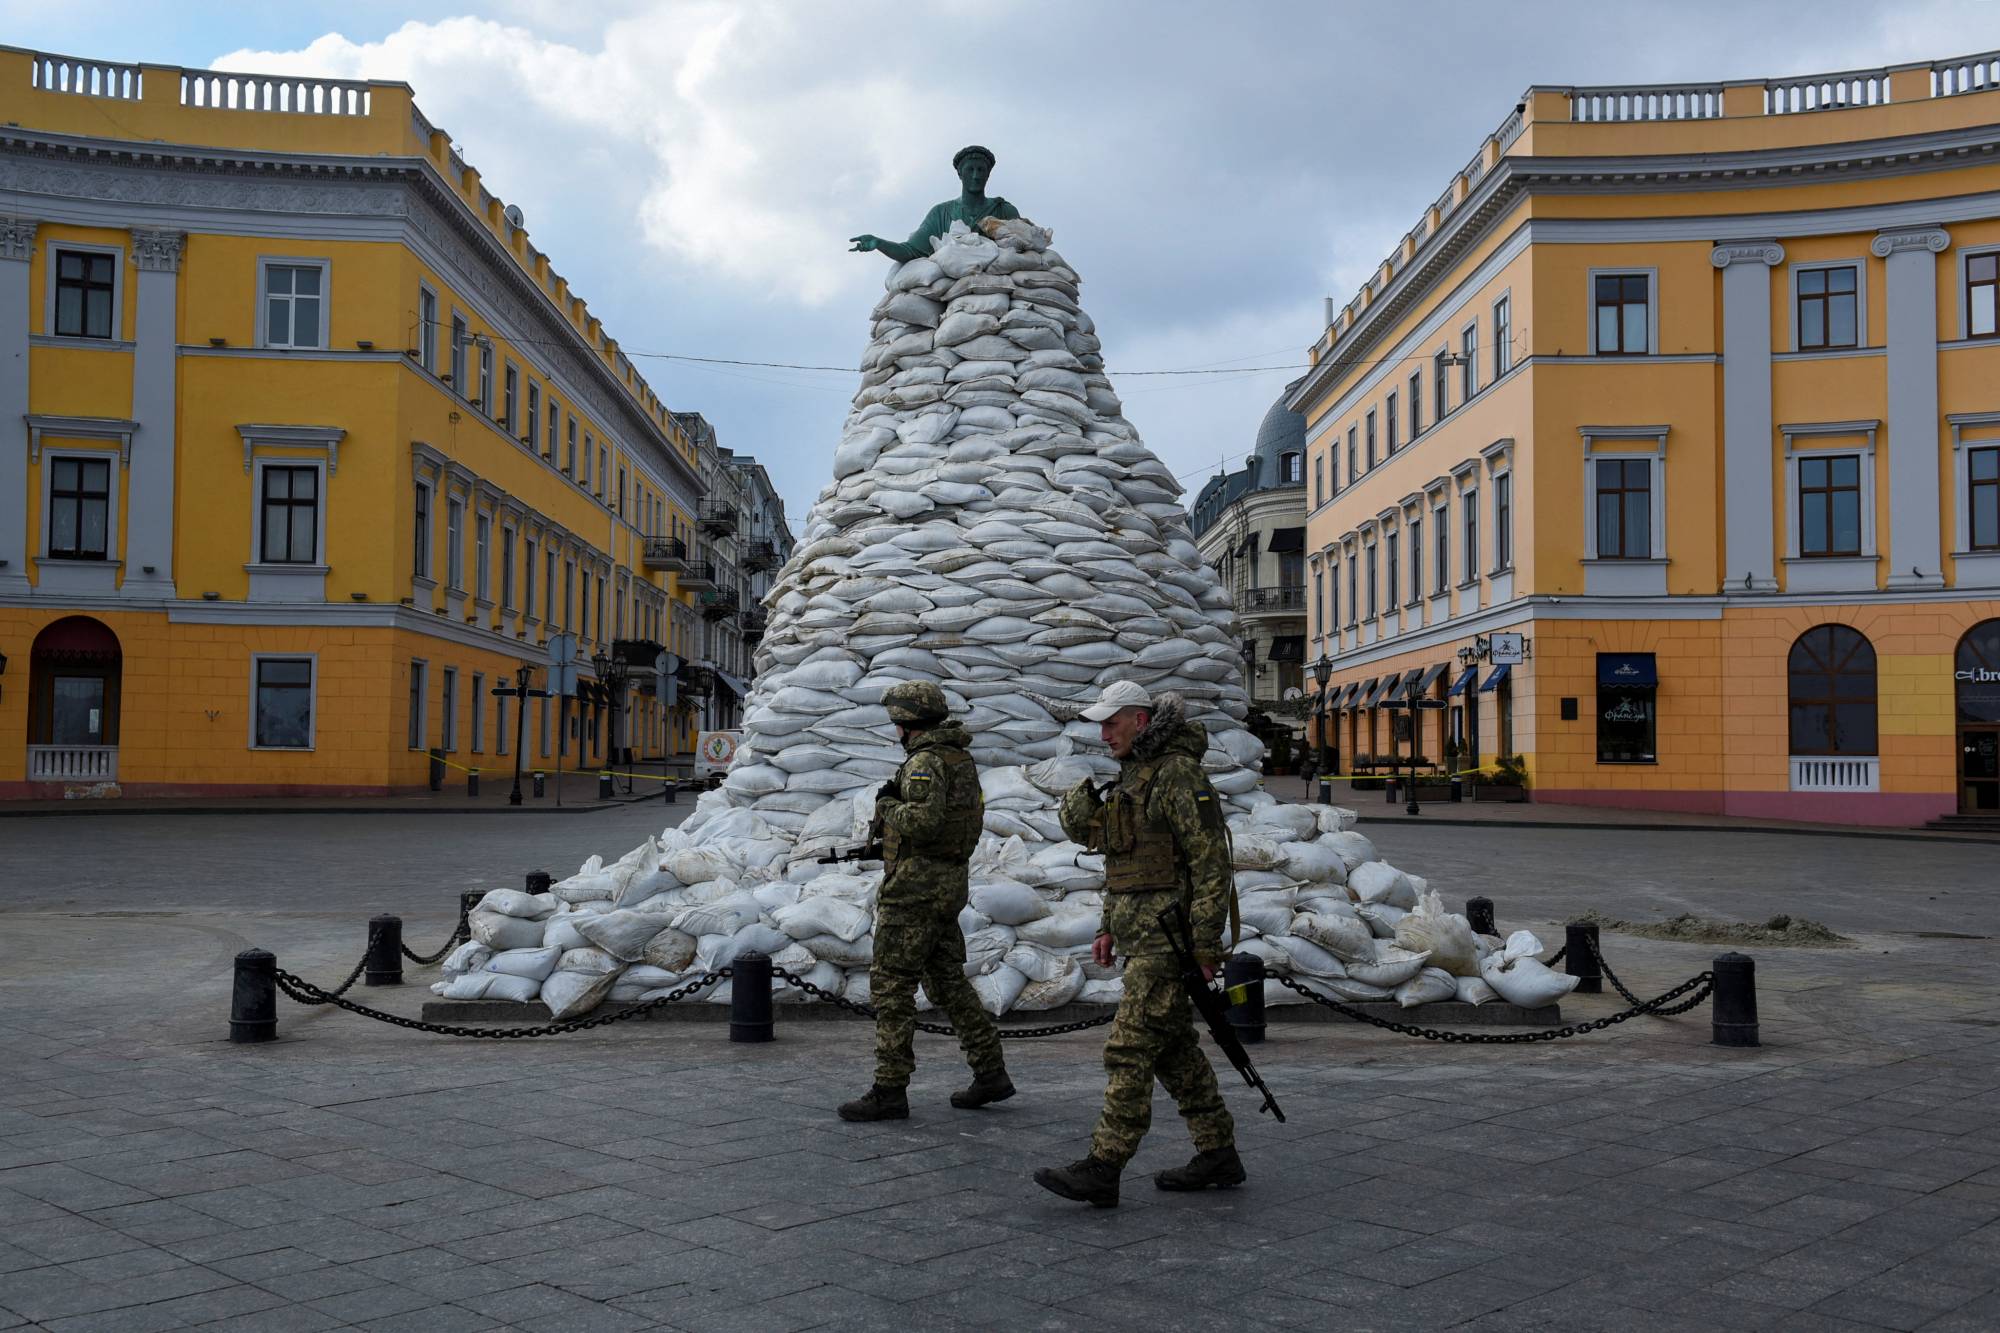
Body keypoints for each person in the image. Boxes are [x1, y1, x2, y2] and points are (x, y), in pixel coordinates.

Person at [1034, 681, 1241, 1207]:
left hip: (1169, 943)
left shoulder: (1177, 774)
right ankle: (1218, 1151)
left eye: (1111, 724)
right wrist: (1109, 925)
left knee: (1127, 1049)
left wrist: (1204, 944)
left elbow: (1210, 862)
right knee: (1173, 1052)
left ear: (1140, 722)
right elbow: (1124, 862)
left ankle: (1104, 1164)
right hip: (1142, 934)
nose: (1103, 735)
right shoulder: (1135, 778)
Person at [838, 680, 1013, 1121]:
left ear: (906, 723)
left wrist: (887, 806)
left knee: (892, 986)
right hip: (947, 884)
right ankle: (991, 1071)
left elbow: (924, 820)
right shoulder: (959, 758)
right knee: (947, 982)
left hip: (914, 891)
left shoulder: (925, 762)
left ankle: (889, 1089)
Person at [849, 145, 1021, 263]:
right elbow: (911, 251)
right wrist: (879, 243)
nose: (976, 176)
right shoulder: (941, 213)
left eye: (981, 170)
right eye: (970, 169)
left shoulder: (1003, 210)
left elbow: (1024, 246)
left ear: (988, 174)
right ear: (960, 174)